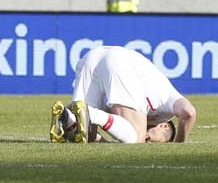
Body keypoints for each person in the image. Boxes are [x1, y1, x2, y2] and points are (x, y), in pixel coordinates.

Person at [50, 46, 197, 144]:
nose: (148, 141)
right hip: (120, 61)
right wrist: (178, 144)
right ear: (164, 126)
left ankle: (65, 117)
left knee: (86, 135)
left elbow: (94, 138)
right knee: (136, 137)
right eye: (152, 141)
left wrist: (106, 144)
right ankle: (91, 113)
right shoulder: (167, 105)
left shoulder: (127, 115)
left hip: (91, 57)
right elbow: (189, 112)